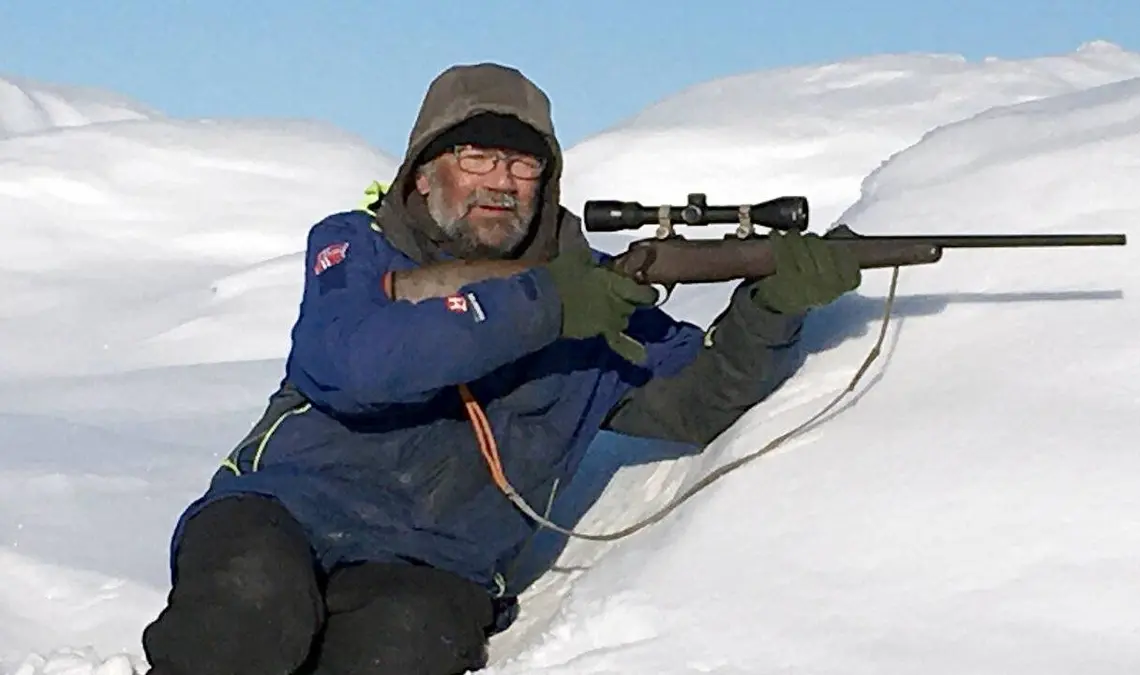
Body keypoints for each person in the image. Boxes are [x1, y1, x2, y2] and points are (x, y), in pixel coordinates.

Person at [140, 62, 861, 675]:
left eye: (523, 164)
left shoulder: (595, 298)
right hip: (280, 511)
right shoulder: (357, 248)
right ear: (423, 174)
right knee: (247, 608)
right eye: (477, 158)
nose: (502, 181)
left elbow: (696, 403)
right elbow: (354, 362)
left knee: (402, 645)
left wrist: (775, 305)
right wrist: (542, 305)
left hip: (433, 566)